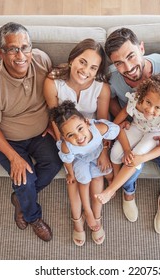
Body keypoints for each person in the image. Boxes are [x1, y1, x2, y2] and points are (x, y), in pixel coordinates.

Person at [0, 22, 62, 242]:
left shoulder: (41, 60)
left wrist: (53, 125)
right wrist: (13, 158)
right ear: (1, 52)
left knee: (54, 164)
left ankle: (20, 198)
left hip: (40, 133)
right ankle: (32, 216)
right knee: (25, 179)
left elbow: (55, 90)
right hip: (8, 138)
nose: (21, 55)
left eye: (25, 47)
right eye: (13, 49)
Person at [104, 27, 160, 233]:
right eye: (119, 63)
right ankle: (127, 192)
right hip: (135, 124)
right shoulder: (113, 78)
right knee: (127, 164)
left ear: (141, 48)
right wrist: (124, 118)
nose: (128, 67)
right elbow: (111, 100)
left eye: (131, 56)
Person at [96, 73, 160, 234]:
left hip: (155, 134)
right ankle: (120, 184)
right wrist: (121, 139)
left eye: (157, 107)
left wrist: (142, 158)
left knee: (136, 157)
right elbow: (119, 120)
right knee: (114, 154)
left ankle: (111, 190)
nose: (150, 110)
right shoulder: (135, 102)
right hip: (137, 127)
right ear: (143, 97)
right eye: (148, 102)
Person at [43, 38, 111, 246]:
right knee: (73, 181)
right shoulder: (53, 82)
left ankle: (96, 216)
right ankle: (77, 220)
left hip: (92, 140)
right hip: (68, 139)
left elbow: (103, 122)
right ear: (72, 59)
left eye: (93, 67)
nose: (85, 71)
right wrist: (66, 150)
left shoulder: (102, 89)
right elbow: (55, 121)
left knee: (96, 177)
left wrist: (104, 151)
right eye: (82, 62)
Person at [49, 100, 120, 245]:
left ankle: (97, 215)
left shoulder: (98, 128)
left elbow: (113, 132)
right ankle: (87, 211)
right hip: (80, 160)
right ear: (64, 138)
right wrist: (70, 173)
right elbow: (68, 160)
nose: (79, 138)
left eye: (80, 129)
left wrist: (104, 151)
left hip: (97, 154)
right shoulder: (67, 146)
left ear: (87, 123)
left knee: (99, 176)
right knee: (83, 179)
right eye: (70, 135)